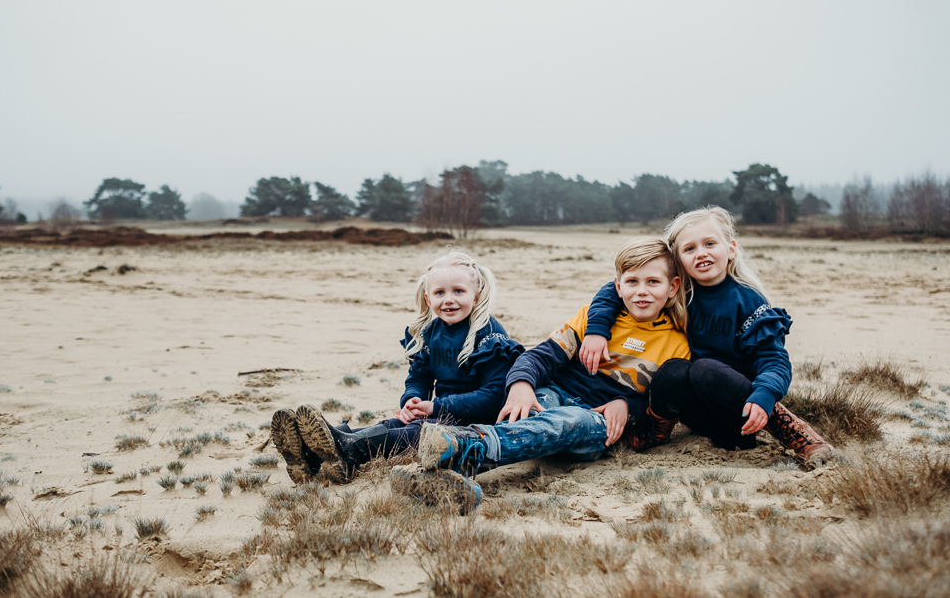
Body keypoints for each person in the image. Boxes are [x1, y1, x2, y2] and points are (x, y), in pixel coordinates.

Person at [412, 237, 690, 482]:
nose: (641, 291)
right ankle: (453, 470)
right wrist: (522, 384)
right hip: (555, 393)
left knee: (571, 421)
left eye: (653, 282)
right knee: (527, 413)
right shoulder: (591, 319)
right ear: (618, 286)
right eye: (632, 282)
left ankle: (468, 445)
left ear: (673, 287)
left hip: (596, 419)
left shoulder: (677, 343)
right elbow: (540, 356)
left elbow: (662, 400)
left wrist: (628, 405)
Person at [580, 206, 832, 465]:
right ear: (678, 260)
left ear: (731, 249)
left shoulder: (748, 301)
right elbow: (616, 288)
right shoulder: (676, 292)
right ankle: (653, 431)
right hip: (692, 412)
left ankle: (793, 432)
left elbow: (774, 359)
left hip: (741, 413)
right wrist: (597, 330)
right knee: (674, 370)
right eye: (689, 249)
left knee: (705, 369)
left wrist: (765, 395)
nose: (701, 253)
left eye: (710, 243)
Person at [270, 248, 524, 484]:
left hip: (478, 423)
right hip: (440, 412)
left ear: (476, 295)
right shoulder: (429, 333)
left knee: (416, 433)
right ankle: (313, 455)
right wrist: (412, 401)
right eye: (440, 293)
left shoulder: (489, 335)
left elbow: (493, 396)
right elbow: (419, 377)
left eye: (458, 291)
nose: (449, 300)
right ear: (427, 297)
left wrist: (435, 406)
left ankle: (350, 451)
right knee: (395, 424)